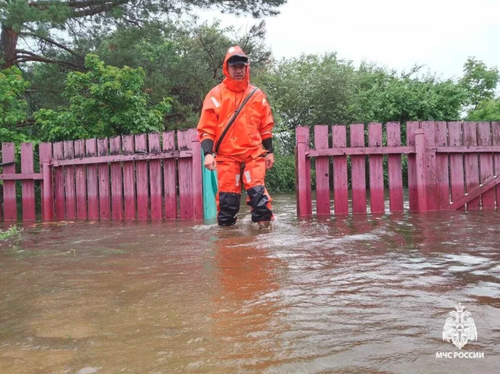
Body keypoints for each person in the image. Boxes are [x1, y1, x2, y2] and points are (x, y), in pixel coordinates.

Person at [197, 46, 275, 227]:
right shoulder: (215, 95)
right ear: (227, 68)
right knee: (227, 206)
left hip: (253, 154)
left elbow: (265, 127)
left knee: (260, 200)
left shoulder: (257, 95)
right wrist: (208, 153)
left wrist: (269, 152)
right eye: (234, 67)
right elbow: (206, 128)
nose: (238, 71)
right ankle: (228, 247)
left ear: (247, 68)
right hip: (227, 157)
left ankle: (263, 245)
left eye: (241, 67)